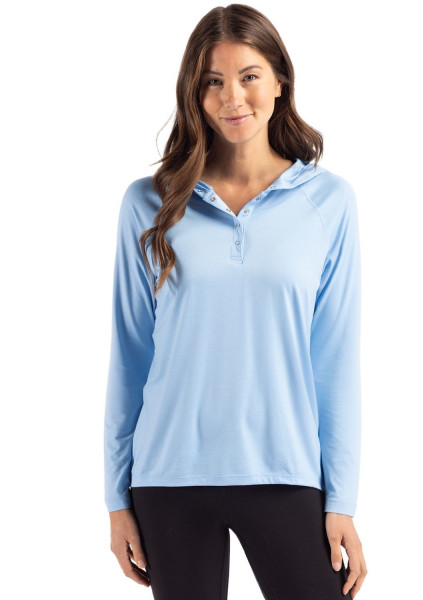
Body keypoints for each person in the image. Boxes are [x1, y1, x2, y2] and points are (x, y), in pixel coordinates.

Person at [104, 4, 367, 599]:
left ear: (279, 82)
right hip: (169, 478)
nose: (232, 97)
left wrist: (342, 500)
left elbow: (334, 361)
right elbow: (130, 358)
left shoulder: (329, 203)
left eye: (249, 76)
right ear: (194, 95)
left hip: (286, 471)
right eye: (212, 82)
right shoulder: (148, 204)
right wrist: (116, 499)